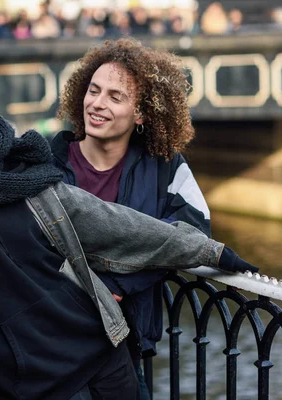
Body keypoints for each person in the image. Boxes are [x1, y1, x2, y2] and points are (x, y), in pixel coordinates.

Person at [0, 59, 258, 400]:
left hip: (101, 358)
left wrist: (207, 251)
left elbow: (113, 225)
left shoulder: (23, 171)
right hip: (23, 388)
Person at [53, 38, 211, 400]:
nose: (97, 103)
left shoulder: (166, 167)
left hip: (124, 342)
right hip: (52, 346)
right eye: (93, 91)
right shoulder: (48, 160)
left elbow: (194, 234)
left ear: (140, 114)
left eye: (115, 96)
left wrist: (119, 284)